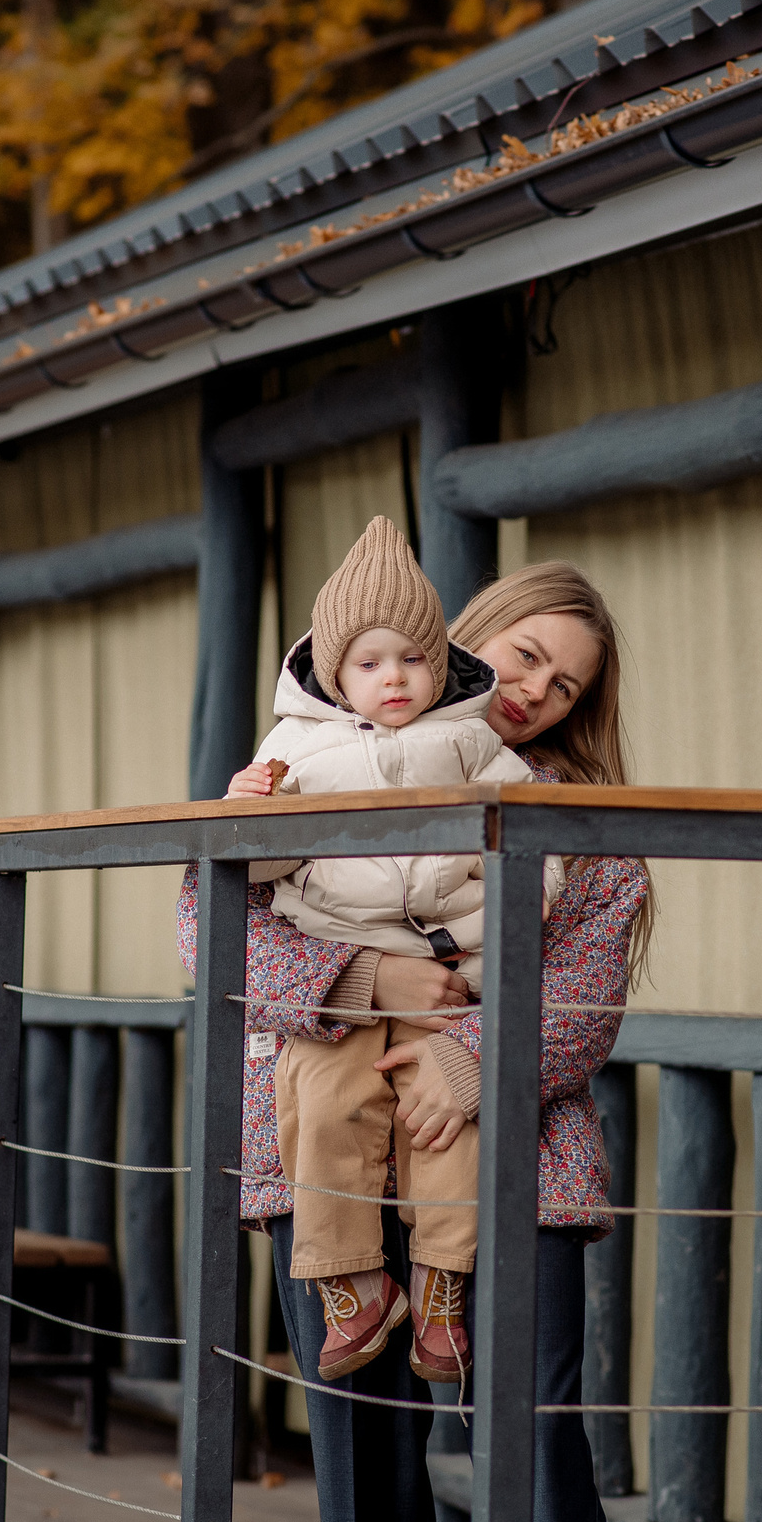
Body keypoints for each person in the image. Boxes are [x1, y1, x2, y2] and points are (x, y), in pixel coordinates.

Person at [179, 558, 650, 1522]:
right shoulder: (312, 761)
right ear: (463, 640)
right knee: (359, 1432)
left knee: (529, 1426)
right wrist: (361, 983)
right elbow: (209, 930)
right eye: (526, 656)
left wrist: (467, 1062)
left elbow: (583, 995)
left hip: (512, 1153)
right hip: (330, 1135)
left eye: (563, 685)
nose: (532, 691)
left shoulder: (586, 821)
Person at [222, 516, 560, 1382]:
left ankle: (442, 1285)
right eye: (370, 663)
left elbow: (542, 851)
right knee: (323, 1109)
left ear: (441, 661)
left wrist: (512, 907)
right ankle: (353, 1286)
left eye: (412, 659)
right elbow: (238, 885)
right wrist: (249, 811)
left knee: (446, 1125)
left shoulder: (474, 740)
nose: (395, 679)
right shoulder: (296, 746)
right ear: (334, 672)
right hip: (337, 973)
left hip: (455, 974)